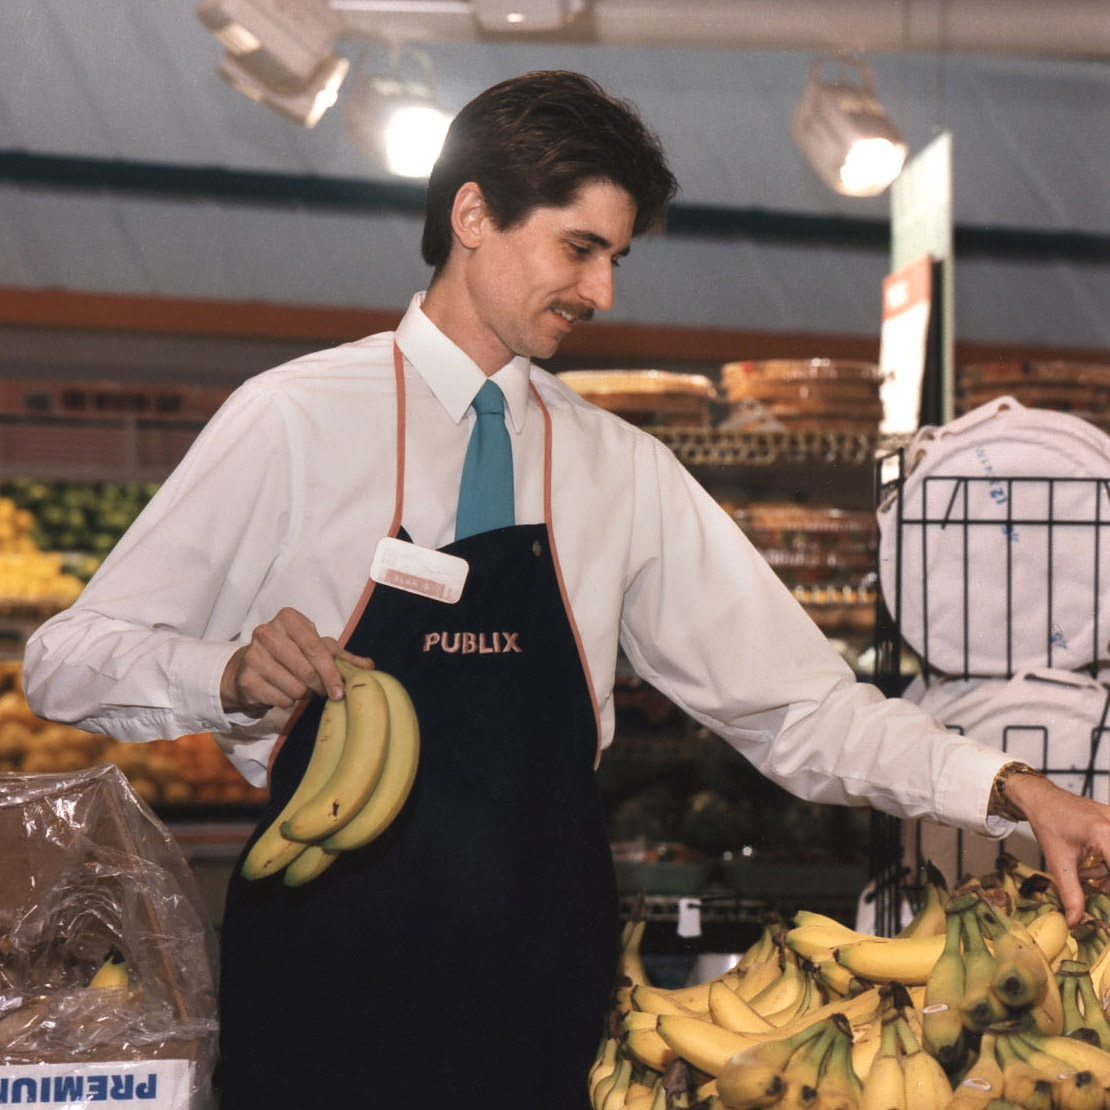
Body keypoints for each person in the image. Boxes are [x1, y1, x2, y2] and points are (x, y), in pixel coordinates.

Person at [21, 70, 1110, 1109]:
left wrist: (1014, 787)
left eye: (617, 258)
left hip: (544, 974)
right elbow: (67, 660)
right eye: (581, 248)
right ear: (474, 213)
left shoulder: (619, 470)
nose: (603, 290)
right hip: (330, 970)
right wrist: (223, 671)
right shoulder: (293, 419)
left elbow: (804, 710)